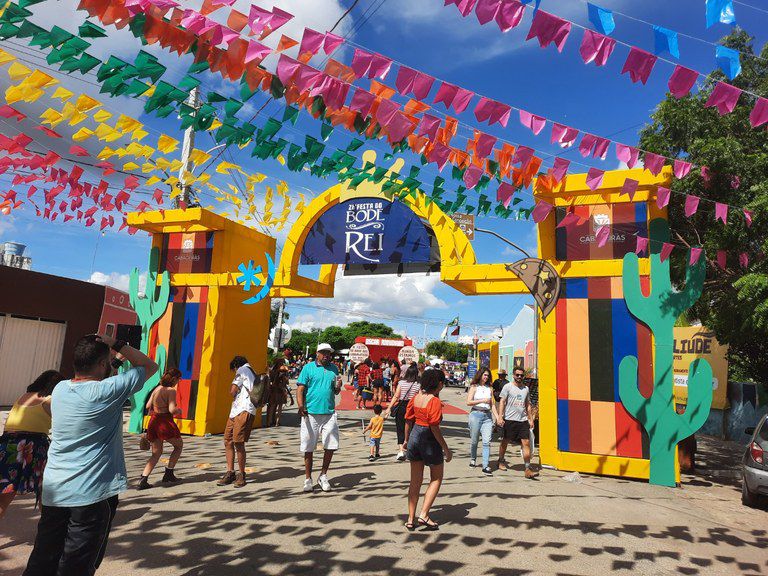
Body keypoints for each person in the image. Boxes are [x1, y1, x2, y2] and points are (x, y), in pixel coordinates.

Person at [24, 333, 157, 576]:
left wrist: (110, 361)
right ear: (101, 365)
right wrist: (115, 343)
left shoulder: (61, 389)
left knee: (43, 558)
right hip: (89, 495)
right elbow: (149, 365)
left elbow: (94, 379)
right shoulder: (108, 391)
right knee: (76, 565)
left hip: (55, 491)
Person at [0, 370, 63, 518]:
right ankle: (49, 531)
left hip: (7, 445)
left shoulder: (23, 397)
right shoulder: (49, 400)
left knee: (4, 496)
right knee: (44, 491)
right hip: (31, 446)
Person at [404, 369, 452, 531]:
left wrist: (405, 440)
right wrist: (445, 448)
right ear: (438, 384)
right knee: (436, 478)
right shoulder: (434, 401)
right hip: (429, 440)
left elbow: (408, 420)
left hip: (414, 437)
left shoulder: (416, 398)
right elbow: (434, 426)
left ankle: (411, 519)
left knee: (415, 481)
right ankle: (424, 514)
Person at [298, 343, 342, 493]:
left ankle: (323, 475)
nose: (326, 355)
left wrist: (338, 387)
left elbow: (336, 391)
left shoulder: (334, 369)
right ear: (317, 353)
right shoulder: (308, 368)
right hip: (310, 413)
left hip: (329, 413)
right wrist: (300, 405)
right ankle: (308, 478)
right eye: (323, 353)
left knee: (330, 445)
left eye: (328, 353)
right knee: (308, 446)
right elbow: (300, 388)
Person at [137, 367, 184, 490]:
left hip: (154, 422)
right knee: (178, 446)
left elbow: (148, 405)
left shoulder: (157, 389)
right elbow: (172, 410)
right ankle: (169, 473)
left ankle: (143, 478)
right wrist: (179, 410)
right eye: (179, 379)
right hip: (164, 422)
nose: (179, 381)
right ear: (174, 379)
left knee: (156, 453)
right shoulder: (171, 391)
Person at [217, 356, 257, 489]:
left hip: (243, 409)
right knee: (229, 440)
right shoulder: (251, 371)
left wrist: (234, 391)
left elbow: (232, 390)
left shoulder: (242, 369)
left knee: (236, 442)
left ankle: (240, 473)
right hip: (237, 410)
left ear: (235, 366)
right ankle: (232, 473)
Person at [497, 367, 536, 479]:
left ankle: (528, 468)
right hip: (510, 419)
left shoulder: (526, 389)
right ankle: (501, 460)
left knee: (526, 442)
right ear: (513, 375)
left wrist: (530, 419)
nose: (519, 377)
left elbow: (528, 404)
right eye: (517, 375)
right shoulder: (507, 387)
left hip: (523, 420)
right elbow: (502, 401)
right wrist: (500, 416)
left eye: (521, 375)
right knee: (505, 441)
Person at [384, 362, 421, 462]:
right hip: (413, 408)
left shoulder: (401, 383)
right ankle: (409, 449)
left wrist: (388, 408)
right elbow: (419, 397)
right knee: (412, 429)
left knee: (400, 428)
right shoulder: (418, 384)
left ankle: (401, 450)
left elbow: (396, 396)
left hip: (401, 407)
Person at [467, 368, 499, 476]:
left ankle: (485, 466)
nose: (486, 377)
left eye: (487, 376)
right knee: (474, 440)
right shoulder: (474, 387)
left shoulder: (490, 388)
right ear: (480, 375)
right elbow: (468, 402)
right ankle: (473, 459)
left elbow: (492, 404)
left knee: (487, 442)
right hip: (475, 414)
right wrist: (482, 400)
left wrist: (498, 417)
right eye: (484, 375)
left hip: (487, 416)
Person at [266, 358, 293, 427]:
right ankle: (277, 423)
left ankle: (269, 423)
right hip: (280, 390)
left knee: (272, 406)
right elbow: (286, 382)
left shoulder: (271, 371)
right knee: (279, 407)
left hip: (274, 390)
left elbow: (270, 381)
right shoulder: (283, 371)